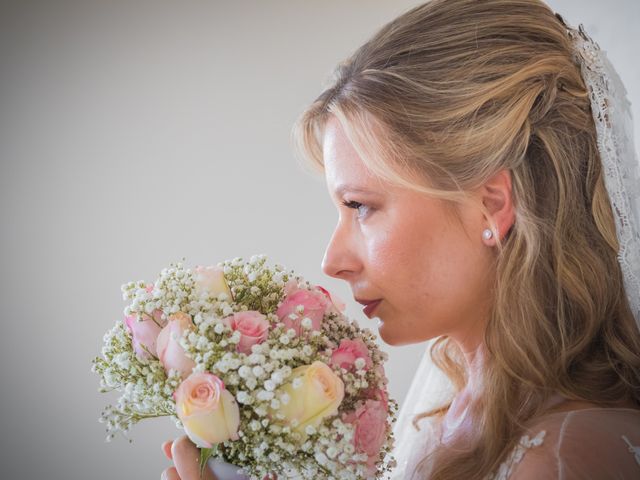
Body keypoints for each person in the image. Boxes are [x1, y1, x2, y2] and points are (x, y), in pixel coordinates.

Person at [161, 0, 640, 478]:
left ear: (491, 205)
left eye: (361, 207)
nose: (332, 261)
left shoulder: (564, 458)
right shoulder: (452, 413)